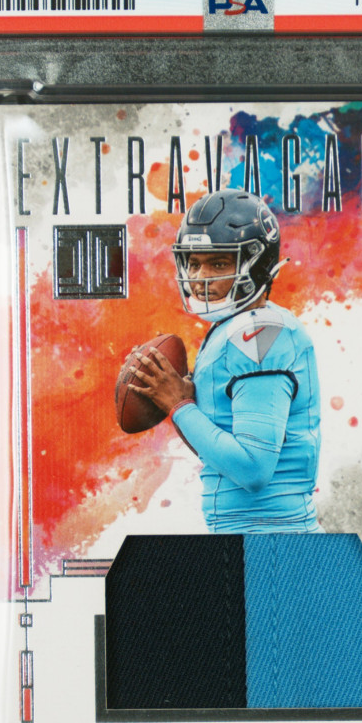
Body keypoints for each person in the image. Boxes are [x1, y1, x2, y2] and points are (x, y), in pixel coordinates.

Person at [129, 189, 322, 533]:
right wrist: (184, 406)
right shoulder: (233, 326)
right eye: (193, 263)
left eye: (218, 263)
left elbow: (252, 469)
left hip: (272, 540)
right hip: (251, 536)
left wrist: (180, 406)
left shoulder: (260, 333)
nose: (200, 277)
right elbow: (219, 457)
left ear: (257, 264)